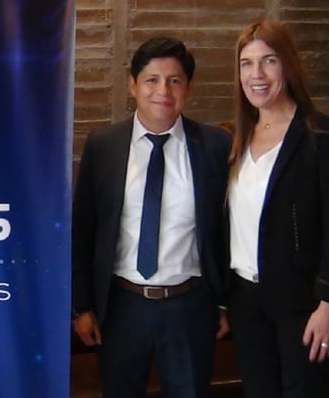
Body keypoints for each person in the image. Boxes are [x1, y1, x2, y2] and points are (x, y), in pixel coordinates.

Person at [71, 37, 231, 397]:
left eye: (174, 81)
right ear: (133, 84)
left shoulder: (215, 146)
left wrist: (224, 303)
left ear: (188, 88)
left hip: (190, 306)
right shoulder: (104, 146)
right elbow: (83, 231)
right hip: (122, 306)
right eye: (152, 80)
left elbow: (226, 231)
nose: (163, 91)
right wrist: (82, 308)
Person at [226, 20, 329, 397]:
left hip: (303, 302)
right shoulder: (233, 139)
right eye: (246, 63)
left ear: (288, 64)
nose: (257, 74)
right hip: (245, 300)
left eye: (268, 61)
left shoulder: (324, 134)